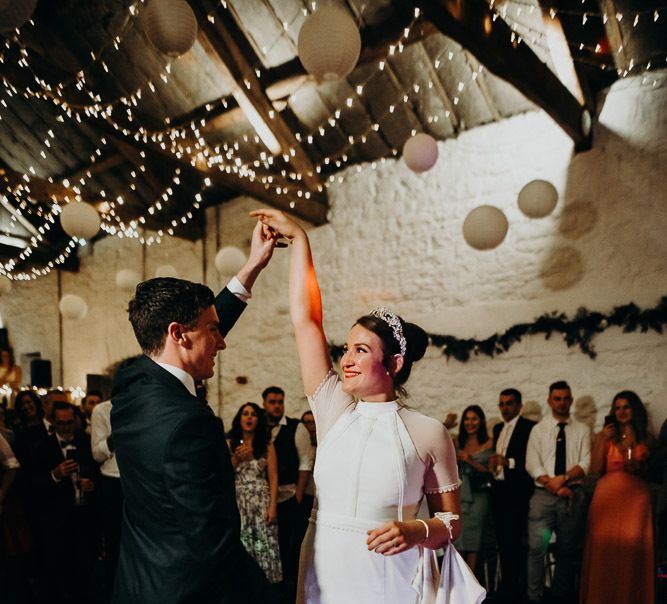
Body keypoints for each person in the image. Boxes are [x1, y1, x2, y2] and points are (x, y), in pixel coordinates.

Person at [250, 208, 461, 604]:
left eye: (361, 350)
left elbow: (451, 522)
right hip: (323, 567)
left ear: (394, 364)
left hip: (390, 575)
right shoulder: (334, 407)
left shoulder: (428, 432)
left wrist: (415, 530)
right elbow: (306, 321)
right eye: (346, 348)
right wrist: (299, 240)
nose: (346, 358)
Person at [110, 220, 282, 604]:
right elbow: (214, 545)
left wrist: (252, 267)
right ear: (178, 333)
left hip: (139, 580)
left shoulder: (130, 388)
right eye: (213, 332)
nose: (221, 343)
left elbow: (203, 327)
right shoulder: (189, 423)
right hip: (185, 590)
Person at [579, 391, 654, 604]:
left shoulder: (646, 438)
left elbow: (654, 471)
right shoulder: (604, 437)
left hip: (637, 502)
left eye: (626, 407)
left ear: (635, 410)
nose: (621, 412)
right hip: (607, 500)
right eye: (617, 408)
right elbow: (594, 470)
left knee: (631, 552)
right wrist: (602, 439)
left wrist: (641, 466)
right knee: (605, 551)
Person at [525, 381, 591, 604]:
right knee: (536, 549)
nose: (562, 403)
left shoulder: (582, 430)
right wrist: (554, 486)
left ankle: (561, 596)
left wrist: (562, 481)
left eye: (566, 398)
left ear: (571, 400)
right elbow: (532, 464)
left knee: (567, 549)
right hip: (543, 497)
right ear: (549, 401)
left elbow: (586, 463)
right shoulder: (539, 430)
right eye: (557, 398)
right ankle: (534, 596)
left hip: (572, 495)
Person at [31, 401, 98, 604]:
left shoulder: (86, 442)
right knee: (59, 570)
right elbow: (33, 486)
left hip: (84, 516)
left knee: (85, 568)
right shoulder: (42, 447)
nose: (67, 427)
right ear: (53, 423)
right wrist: (55, 475)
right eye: (62, 423)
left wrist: (92, 484)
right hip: (57, 519)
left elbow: (98, 473)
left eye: (70, 422)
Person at [262, 385, 314, 597]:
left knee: (289, 546)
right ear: (264, 403)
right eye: (272, 402)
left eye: (280, 402)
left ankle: (290, 593)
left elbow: (305, 462)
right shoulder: (260, 427)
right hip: (264, 498)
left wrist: (298, 495)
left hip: (290, 495)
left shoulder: (296, 427)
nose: (277, 406)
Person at [488, 388, 536, 604]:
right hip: (498, 490)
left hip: (517, 491)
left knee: (516, 540)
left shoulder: (529, 428)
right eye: (502, 404)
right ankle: (505, 585)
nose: (505, 408)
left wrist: (508, 462)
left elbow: (530, 458)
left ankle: (514, 588)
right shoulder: (498, 428)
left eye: (509, 403)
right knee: (502, 540)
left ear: (519, 406)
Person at [227, 402, 282, 584]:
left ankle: (267, 584)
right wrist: (237, 458)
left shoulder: (266, 445)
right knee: (242, 540)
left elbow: (273, 477)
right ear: (239, 419)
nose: (249, 417)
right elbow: (223, 473)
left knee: (264, 541)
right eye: (245, 414)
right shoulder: (230, 442)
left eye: (253, 414)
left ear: (258, 419)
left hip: (261, 499)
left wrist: (272, 507)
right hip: (239, 499)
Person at [454, 405, 493, 580]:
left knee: (474, 539)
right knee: (459, 537)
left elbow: (491, 471)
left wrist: (470, 461)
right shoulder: (456, 441)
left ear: (481, 421)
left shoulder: (489, 442)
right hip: (460, 494)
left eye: (474, 419)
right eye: (467, 419)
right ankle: (460, 580)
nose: (470, 423)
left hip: (479, 495)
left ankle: (471, 581)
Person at [90, 398, 123, 595]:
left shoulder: (145, 405)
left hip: (140, 480)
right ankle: (114, 591)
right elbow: (97, 454)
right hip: (113, 481)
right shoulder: (102, 410)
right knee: (115, 542)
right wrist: (117, 434)